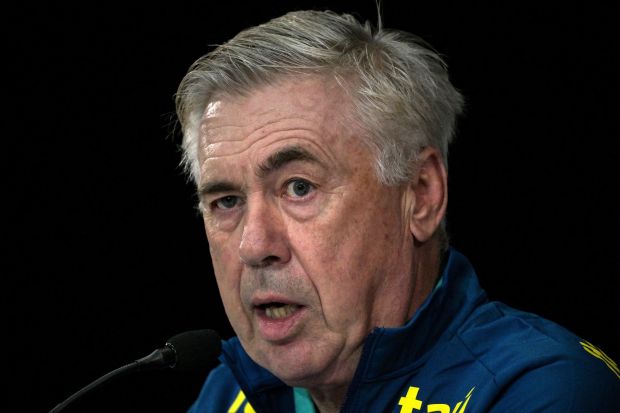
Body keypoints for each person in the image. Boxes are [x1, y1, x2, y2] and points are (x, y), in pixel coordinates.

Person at [174, 9, 619, 413]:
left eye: (299, 188)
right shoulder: (228, 393)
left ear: (421, 195)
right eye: (226, 201)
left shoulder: (545, 388)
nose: (254, 245)